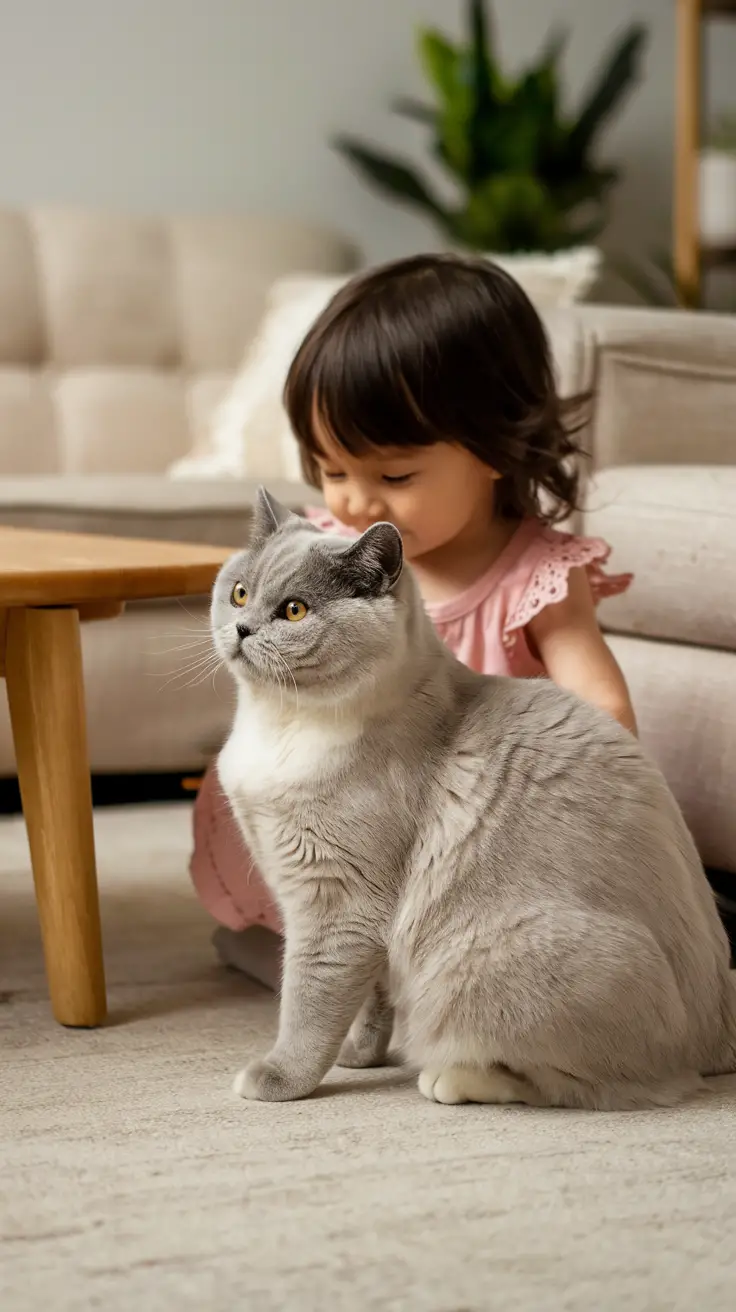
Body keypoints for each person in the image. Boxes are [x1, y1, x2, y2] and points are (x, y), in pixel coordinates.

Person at [190, 253, 635, 941]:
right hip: (338, 810)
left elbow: (604, 712)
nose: (355, 500)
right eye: (331, 468)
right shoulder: (332, 556)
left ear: (495, 447)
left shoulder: (535, 575)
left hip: (457, 831)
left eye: (394, 475)